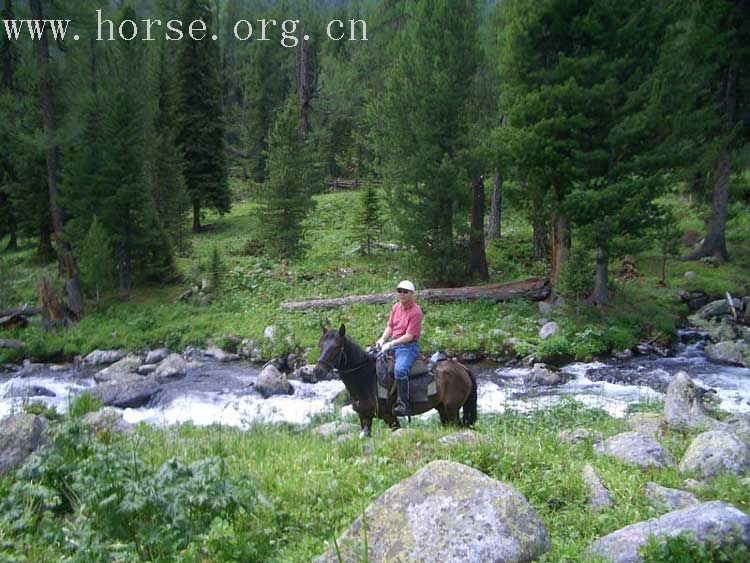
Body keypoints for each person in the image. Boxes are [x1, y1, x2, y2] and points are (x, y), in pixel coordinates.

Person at [376, 280, 424, 416]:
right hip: (394, 343)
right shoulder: (396, 307)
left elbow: (409, 336)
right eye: (399, 291)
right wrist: (382, 339)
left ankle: (404, 403)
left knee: (400, 370)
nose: (402, 294)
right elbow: (390, 326)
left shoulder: (416, 312)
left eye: (405, 291)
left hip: (408, 347)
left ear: (412, 294)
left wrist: (391, 344)